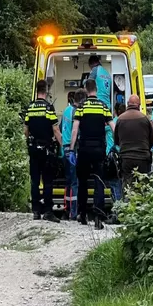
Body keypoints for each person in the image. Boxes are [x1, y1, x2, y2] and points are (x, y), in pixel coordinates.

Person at [69, 79, 116, 230]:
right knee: (99, 182)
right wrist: (117, 145)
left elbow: (75, 130)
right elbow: (113, 127)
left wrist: (71, 149)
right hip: (99, 150)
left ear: (86, 89)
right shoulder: (103, 107)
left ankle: (82, 214)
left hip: (84, 149)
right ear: (96, 89)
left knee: (82, 181)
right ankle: (98, 217)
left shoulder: (81, 107)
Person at [24, 80, 62, 222]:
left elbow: (26, 130)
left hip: (33, 149)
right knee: (47, 180)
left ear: (36, 91)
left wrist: (31, 141)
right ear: (46, 91)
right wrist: (63, 145)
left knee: (35, 180)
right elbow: (56, 129)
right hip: (47, 149)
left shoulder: (30, 108)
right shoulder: (48, 108)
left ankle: (35, 211)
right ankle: (47, 211)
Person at [115, 95, 153, 195]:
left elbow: (116, 140)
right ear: (139, 105)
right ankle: (141, 208)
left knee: (127, 186)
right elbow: (152, 140)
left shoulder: (120, 119)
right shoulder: (144, 118)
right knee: (142, 186)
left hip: (126, 158)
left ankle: (128, 207)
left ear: (128, 104)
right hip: (143, 158)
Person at [61, 89, 86, 220]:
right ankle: (74, 212)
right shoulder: (76, 113)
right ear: (82, 100)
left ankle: (67, 209)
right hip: (72, 149)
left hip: (64, 149)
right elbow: (75, 133)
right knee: (75, 182)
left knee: (68, 181)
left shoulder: (66, 110)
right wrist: (73, 149)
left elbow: (61, 129)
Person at [105, 103, 126, 205]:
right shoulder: (126, 123)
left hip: (111, 155)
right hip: (122, 153)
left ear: (116, 112)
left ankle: (117, 207)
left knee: (113, 182)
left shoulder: (111, 124)